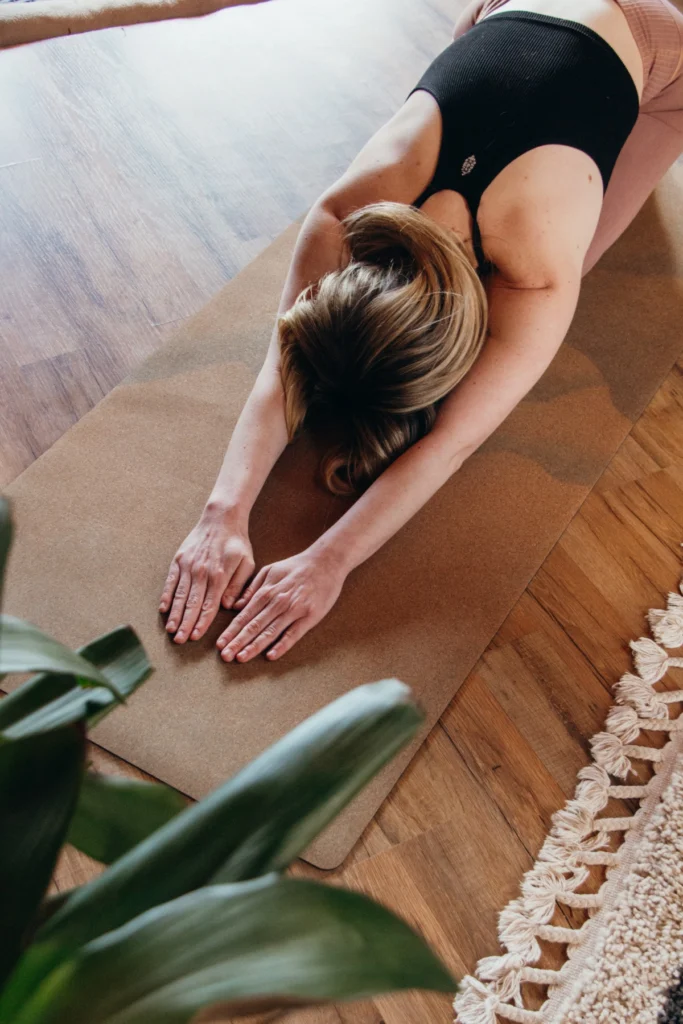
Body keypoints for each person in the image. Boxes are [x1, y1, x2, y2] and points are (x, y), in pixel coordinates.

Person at [159, 0, 683, 663]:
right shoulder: (345, 211)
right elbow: (284, 362)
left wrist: (330, 561)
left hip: (656, 30)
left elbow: (450, 443)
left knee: (590, 251)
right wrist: (222, 513)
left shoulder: (537, 267)